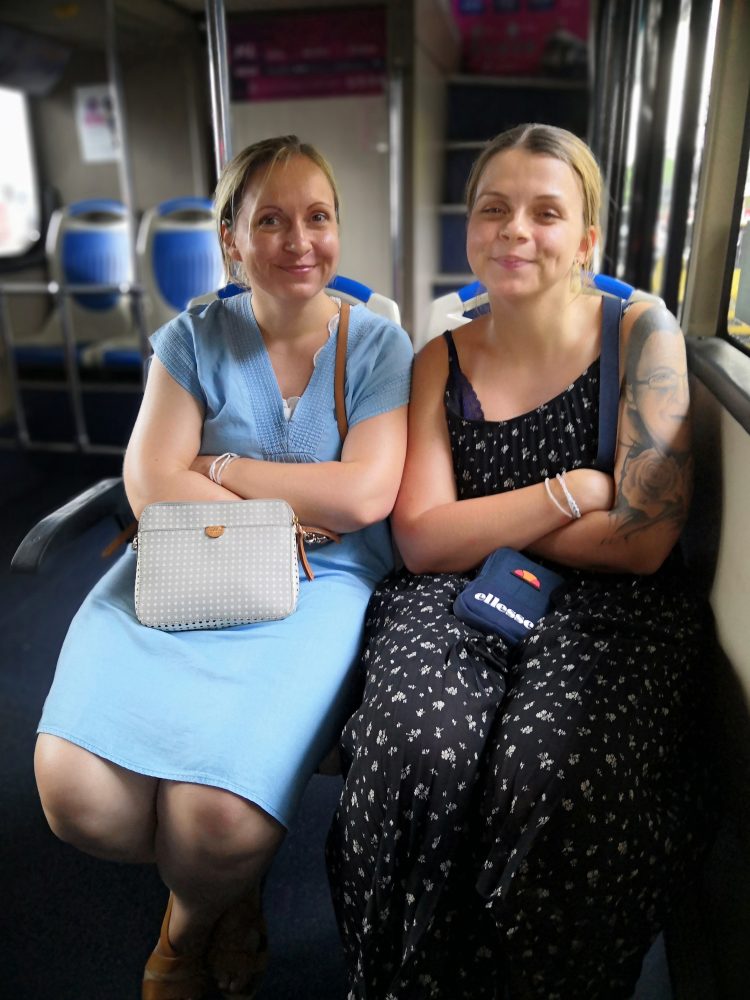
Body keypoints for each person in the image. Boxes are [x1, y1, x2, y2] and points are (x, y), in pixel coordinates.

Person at [326, 123, 713, 1000]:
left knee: (555, 773)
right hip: (449, 595)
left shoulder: (641, 332)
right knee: (412, 753)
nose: (515, 231)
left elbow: (643, 542)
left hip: (613, 605)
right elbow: (422, 541)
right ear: (469, 227)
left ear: (586, 239)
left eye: (546, 213)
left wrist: (484, 526)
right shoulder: (438, 360)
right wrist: (568, 494)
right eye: (494, 210)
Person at [34, 135, 413, 1000]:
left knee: (215, 821)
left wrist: (222, 468)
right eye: (270, 220)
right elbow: (150, 487)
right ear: (231, 241)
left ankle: (191, 919)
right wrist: (285, 509)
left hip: (319, 583)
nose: (299, 241)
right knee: (76, 795)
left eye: (318, 217)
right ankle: (222, 887)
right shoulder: (192, 338)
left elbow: (362, 497)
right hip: (182, 561)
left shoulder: (379, 346)